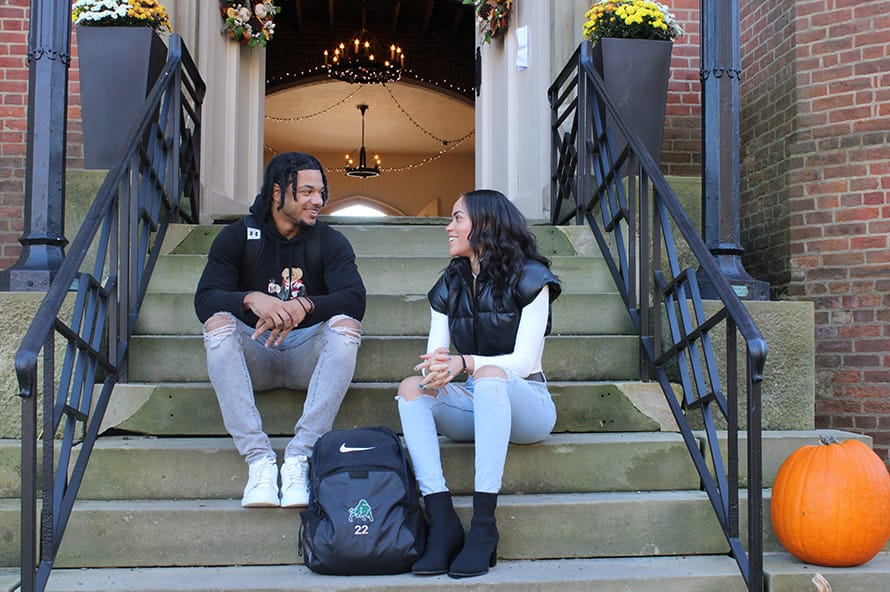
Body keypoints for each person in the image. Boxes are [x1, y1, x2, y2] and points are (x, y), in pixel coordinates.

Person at [396, 189, 561, 578]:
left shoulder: (534, 279)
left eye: (457, 219)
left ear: (484, 225)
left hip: (528, 404)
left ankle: (484, 526)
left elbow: (521, 362)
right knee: (410, 389)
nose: (448, 227)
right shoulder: (450, 282)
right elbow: (436, 354)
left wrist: (465, 362)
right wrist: (435, 370)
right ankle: (442, 521)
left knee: (489, 377)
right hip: (474, 404)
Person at [194, 152, 366, 509]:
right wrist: (250, 299)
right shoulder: (237, 237)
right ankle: (259, 460)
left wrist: (306, 304)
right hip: (255, 353)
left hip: (307, 356)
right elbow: (205, 300)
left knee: (347, 327)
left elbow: (354, 299)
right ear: (277, 192)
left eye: (320, 192)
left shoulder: (329, 241)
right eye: (306, 192)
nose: (317, 201)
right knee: (218, 324)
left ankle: (299, 458)